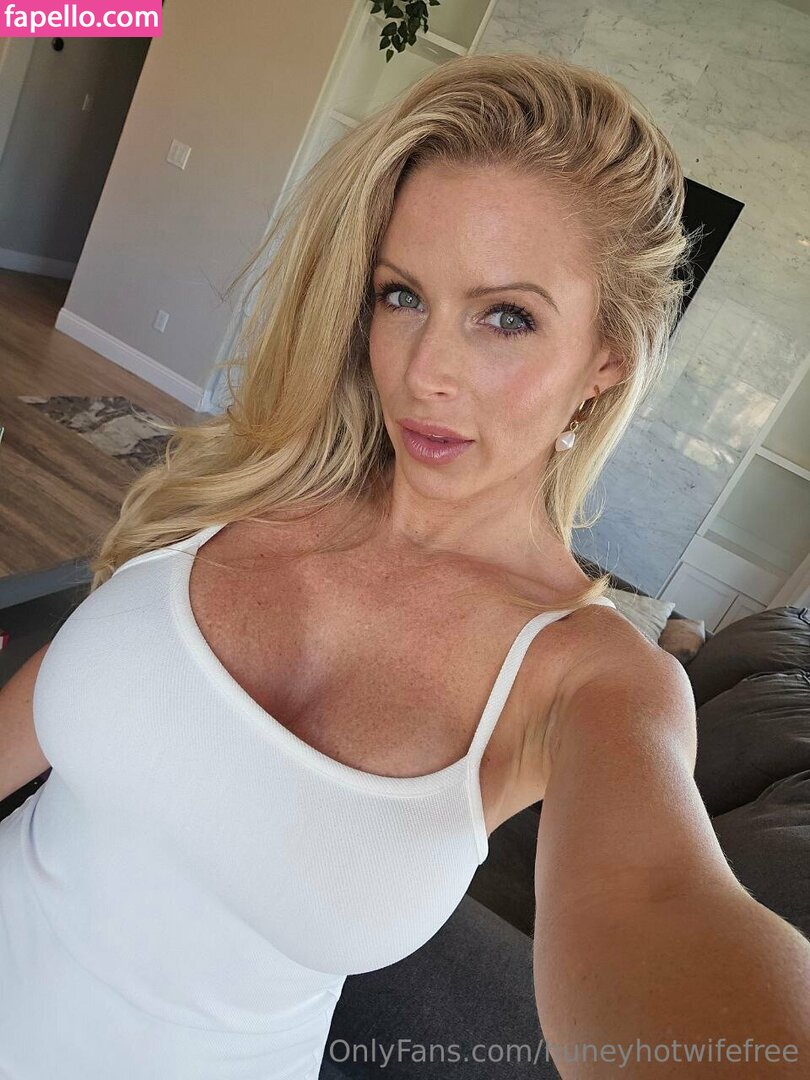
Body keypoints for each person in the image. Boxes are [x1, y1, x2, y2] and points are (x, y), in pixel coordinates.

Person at [1, 50, 808, 1079]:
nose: (426, 371)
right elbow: (62, 696)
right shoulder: (248, 483)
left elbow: (662, 905)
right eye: (401, 296)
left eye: (506, 316)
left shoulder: (593, 681)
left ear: (606, 358)